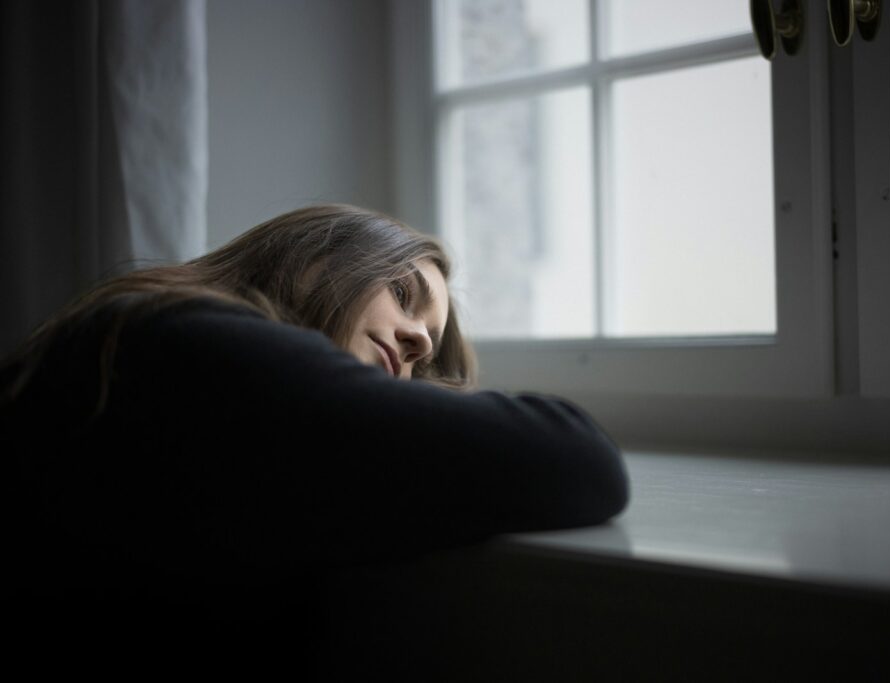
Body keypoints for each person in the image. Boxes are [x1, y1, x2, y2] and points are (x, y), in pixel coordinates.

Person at [0, 203, 628, 678]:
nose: (417, 343)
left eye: (425, 350)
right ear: (312, 256)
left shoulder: (147, 343)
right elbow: (579, 459)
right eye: (404, 296)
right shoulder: (185, 345)